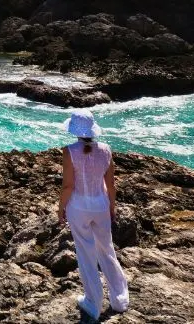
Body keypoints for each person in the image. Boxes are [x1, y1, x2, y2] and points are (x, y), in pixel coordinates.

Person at [58, 111, 129, 320]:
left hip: (78, 208)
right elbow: (111, 186)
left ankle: (93, 303)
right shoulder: (106, 150)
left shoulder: (69, 151)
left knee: (86, 254)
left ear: (75, 131)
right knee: (107, 250)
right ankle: (119, 299)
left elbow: (68, 186)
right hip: (101, 205)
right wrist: (112, 207)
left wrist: (60, 208)